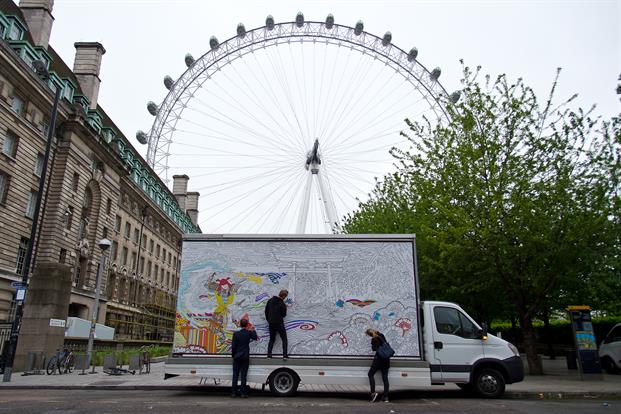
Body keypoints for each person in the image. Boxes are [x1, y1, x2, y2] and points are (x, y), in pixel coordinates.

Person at [231, 318, 257, 397]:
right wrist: (253, 329)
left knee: (235, 375)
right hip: (245, 357)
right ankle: (243, 393)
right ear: (246, 325)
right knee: (243, 376)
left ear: (240, 325)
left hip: (237, 357)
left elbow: (233, 346)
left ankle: (233, 393)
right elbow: (255, 337)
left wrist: (233, 355)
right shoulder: (248, 333)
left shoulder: (236, 334)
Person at [365, 328, 391, 403]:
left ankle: (373, 393)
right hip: (386, 359)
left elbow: (374, 349)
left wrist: (373, 345)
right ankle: (385, 397)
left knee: (370, 374)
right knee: (385, 378)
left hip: (378, 360)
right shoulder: (381, 335)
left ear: (370, 334)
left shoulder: (374, 339)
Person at [265, 289, 289, 359]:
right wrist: (285, 309)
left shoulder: (270, 301)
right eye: (286, 296)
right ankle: (285, 355)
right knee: (284, 338)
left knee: (272, 339)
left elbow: (266, 312)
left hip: (271, 323)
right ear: (284, 296)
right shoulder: (282, 304)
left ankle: (269, 355)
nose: (285, 297)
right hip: (279, 323)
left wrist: (269, 320)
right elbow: (284, 315)